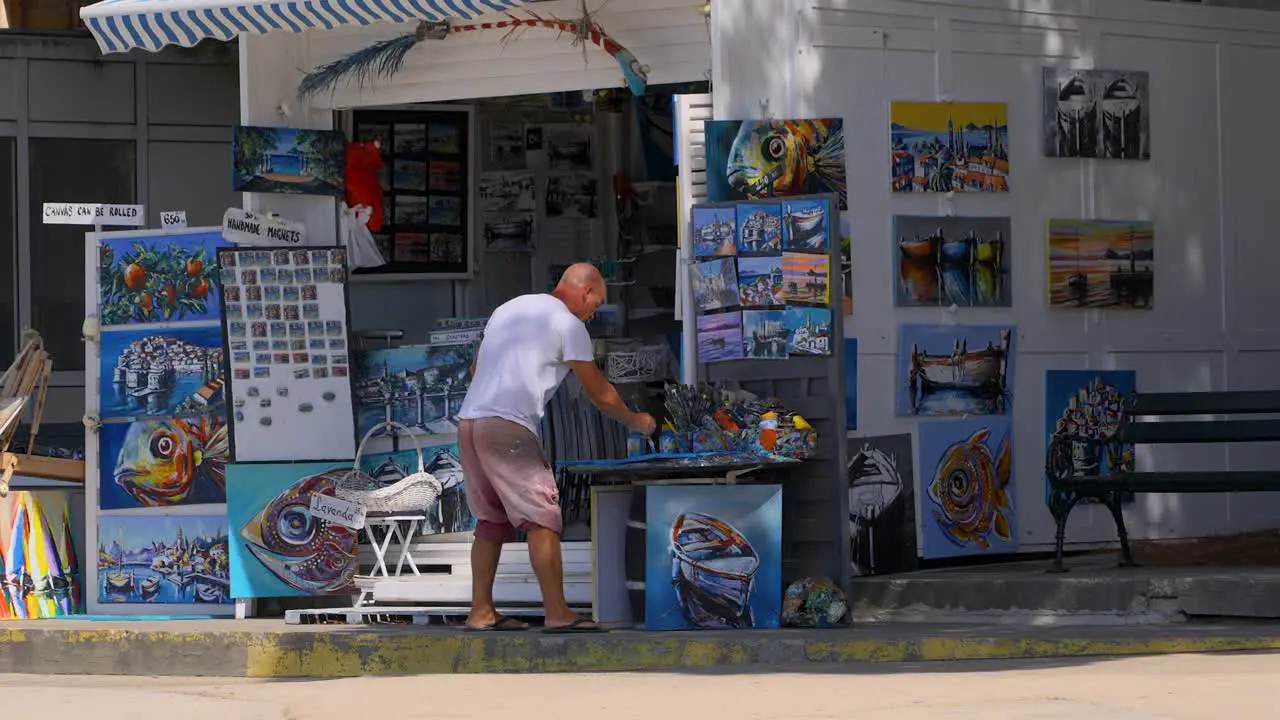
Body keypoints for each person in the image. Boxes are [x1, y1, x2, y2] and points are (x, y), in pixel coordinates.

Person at [458, 263, 657, 633]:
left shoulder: (510, 309)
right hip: (507, 427)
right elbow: (598, 391)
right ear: (585, 291)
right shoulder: (568, 325)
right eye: (596, 302)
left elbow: (476, 370)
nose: (594, 312)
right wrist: (634, 420)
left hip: (470, 421)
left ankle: (481, 612)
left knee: (490, 522)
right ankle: (558, 613)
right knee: (542, 518)